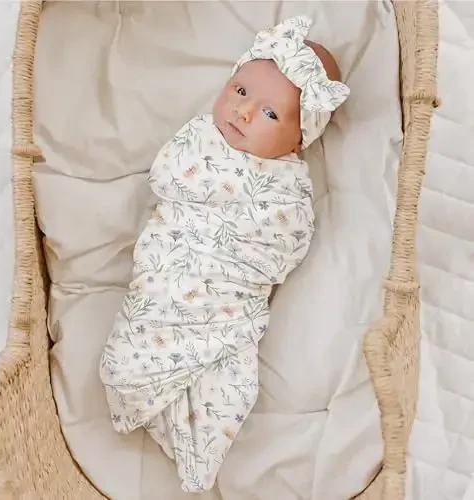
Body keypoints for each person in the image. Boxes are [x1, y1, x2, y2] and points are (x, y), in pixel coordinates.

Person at [99, 15, 349, 493]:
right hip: (169, 268)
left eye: (270, 113)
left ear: (300, 139)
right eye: (240, 91)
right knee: (131, 352)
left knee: (229, 387)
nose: (245, 112)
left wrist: (238, 247)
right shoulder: (199, 137)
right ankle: (142, 393)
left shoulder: (288, 184)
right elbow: (166, 177)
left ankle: (189, 441)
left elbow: (287, 242)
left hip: (224, 294)